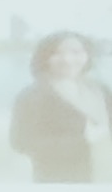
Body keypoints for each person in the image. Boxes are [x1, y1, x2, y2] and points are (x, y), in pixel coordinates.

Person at [10, 29, 103, 182]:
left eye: (76, 52)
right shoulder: (32, 96)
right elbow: (20, 143)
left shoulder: (99, 90)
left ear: (87, 55)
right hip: (57, 179)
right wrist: (82, 140)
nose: (67, 59)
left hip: (101, 177)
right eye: (57, 53)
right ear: (44, 58)